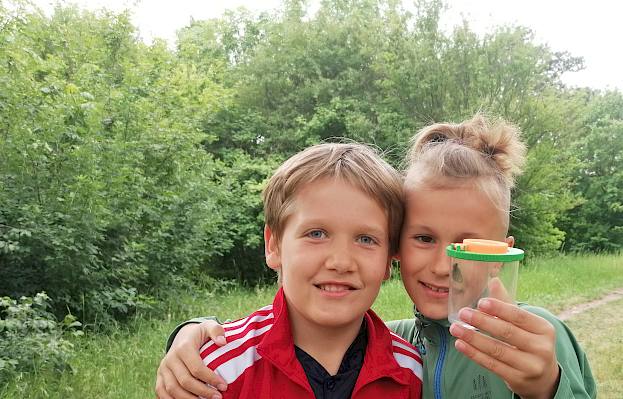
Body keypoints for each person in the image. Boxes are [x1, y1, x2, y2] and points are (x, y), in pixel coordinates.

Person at [156, 115, 597, 399]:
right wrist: (192, 333)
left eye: (468, 246)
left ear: (502, 253)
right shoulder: (403, 345)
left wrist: (546, 386)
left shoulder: (534, 335)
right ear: (397, 250)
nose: (445, 265)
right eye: (423, 238)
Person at [153, 143, 423, 399]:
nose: (341, 262)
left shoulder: (411, 371)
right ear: (274, 245)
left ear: (389, 259)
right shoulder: (215, 371)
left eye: (366, 239)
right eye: (316, 234)